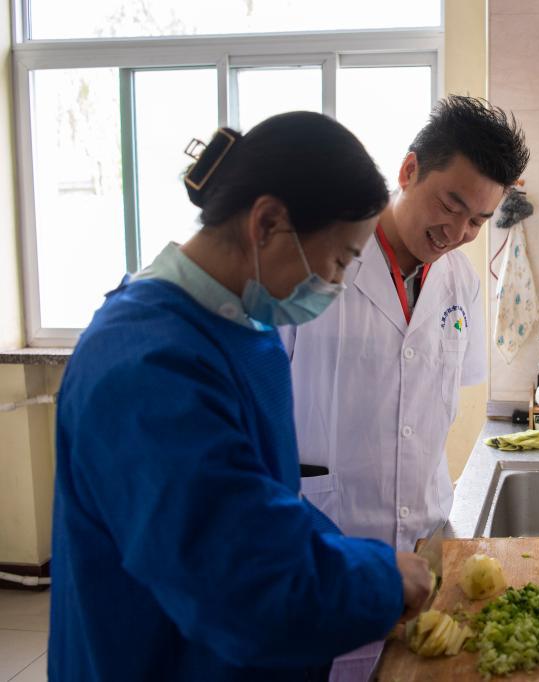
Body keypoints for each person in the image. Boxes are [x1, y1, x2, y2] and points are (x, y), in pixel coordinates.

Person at [49, 112, 433, 682]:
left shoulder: (245, 327)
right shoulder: (144, 366)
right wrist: (378, 578)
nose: (337, 284)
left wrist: (350, 558)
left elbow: (262, 501)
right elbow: (237, 578)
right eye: (339, 260)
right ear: (268, 222)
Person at [281, 96, 528, 680]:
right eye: (451, 204)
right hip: (330, 539)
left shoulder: (461, 283)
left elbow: (430, 409)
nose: (458, 232)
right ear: (409, 170)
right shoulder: (315, 266)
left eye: (478, 221)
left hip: (425, 541)